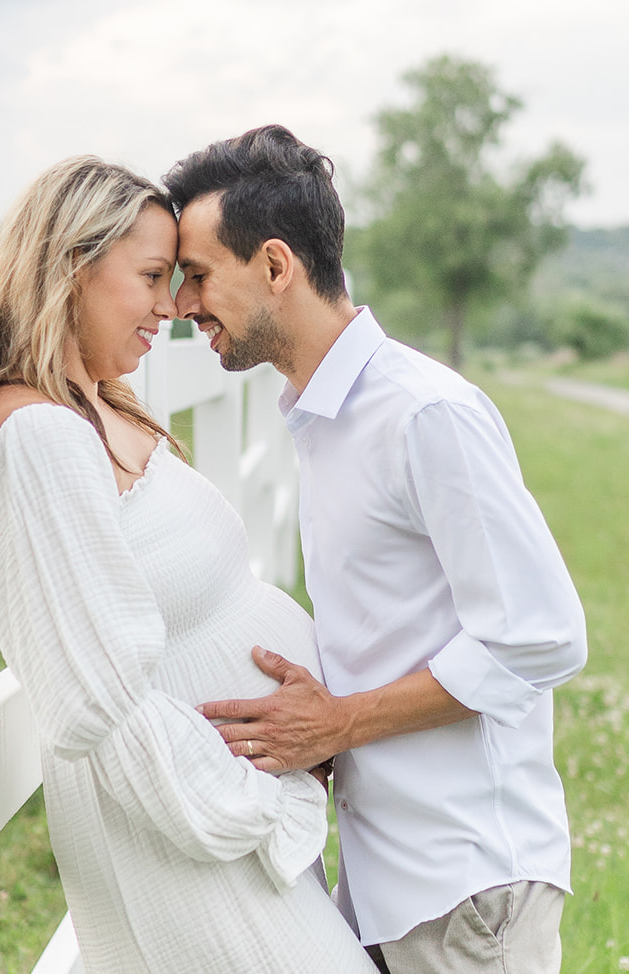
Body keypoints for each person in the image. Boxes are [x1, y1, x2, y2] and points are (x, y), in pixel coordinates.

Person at [164, 125, 588, 974]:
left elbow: (541, 635)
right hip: (389, 878)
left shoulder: (424, 413)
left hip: (467, 889)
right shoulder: (320, 419)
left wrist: (340, 722)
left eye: (200, 275)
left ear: (276, 266)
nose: (181, 305)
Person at [0, 155, 375, 974]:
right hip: (183, 829)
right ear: (72, 267)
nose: (170, 307)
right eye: (151, 276)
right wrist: (256, 800)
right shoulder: (41, 439)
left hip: (212, 827)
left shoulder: (102, 405)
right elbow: (96, 704)